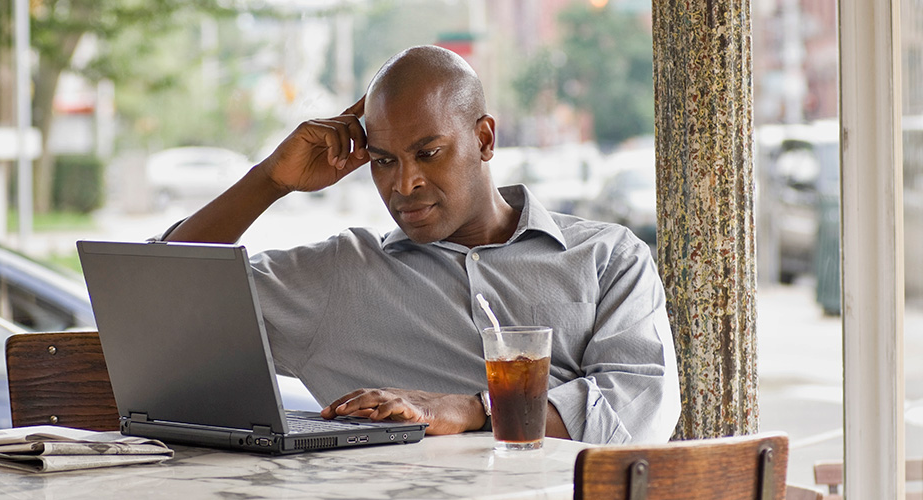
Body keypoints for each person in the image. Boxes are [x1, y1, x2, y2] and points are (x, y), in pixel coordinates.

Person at [157, 45, 680, 444]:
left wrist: (469, 409)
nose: (403, 183)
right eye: (384, 160)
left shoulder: (606, 257)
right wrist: (269, 180)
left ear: (485, 139)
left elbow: (640, 404)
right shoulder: (340, 275)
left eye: (428, 153)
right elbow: (158, 293)